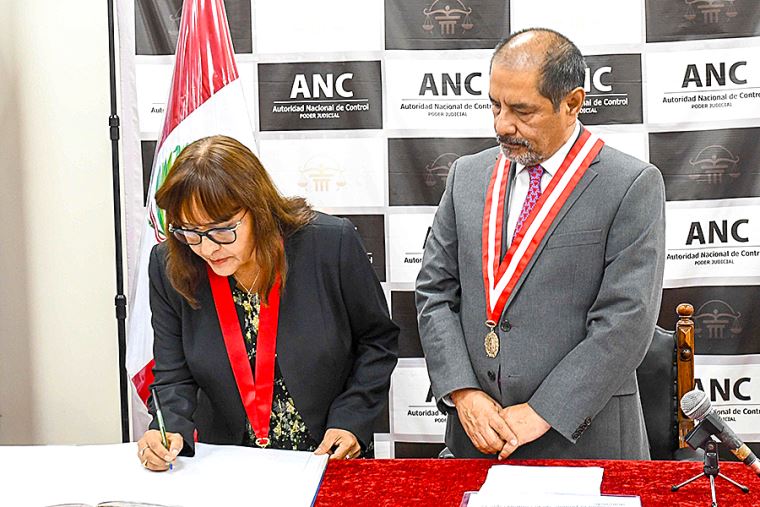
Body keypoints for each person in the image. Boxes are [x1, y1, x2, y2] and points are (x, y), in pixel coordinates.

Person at [416, 28, 665, 460]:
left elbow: (626, 321)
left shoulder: (631, 185)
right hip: (477, 437)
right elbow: (434, 292)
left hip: (583, 443)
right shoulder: (466, 177)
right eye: (495, 105)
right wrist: (462, 392)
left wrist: (542, 412)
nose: (502, 124)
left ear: (572, 103)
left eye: (521, 110)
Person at [137, 135, 398, 471]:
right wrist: (168, 430)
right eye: (190, 231)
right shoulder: (170, 265)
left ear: (257, 208)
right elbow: (173, 374)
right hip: (230, 463)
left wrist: (351, 420)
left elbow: (377, 341)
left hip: (328, 457)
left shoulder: (330, 244)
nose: (207, 248)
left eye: (221, 230)